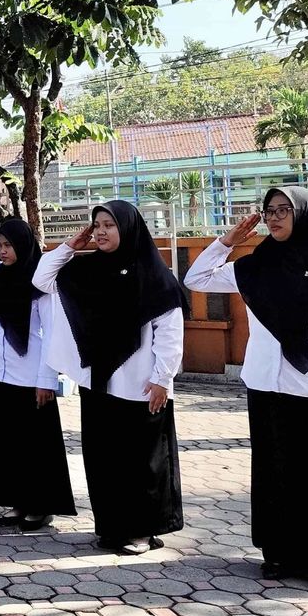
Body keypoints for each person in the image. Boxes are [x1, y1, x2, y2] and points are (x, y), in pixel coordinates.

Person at [185, 187, 308, 591]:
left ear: (306, 215)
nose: (274, 218)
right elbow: (197, 278)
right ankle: (281, 553)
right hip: (265, 387)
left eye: (284, 210)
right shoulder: (256, 266)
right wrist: (228, 241)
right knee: (276, 474)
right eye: (269, 211)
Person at [34, 201, 187, 555]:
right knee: (104, 460)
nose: (101, 232)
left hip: (140, 386)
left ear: (128, 228)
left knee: (142, 462)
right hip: (98, 383)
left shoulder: (154, 275)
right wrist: (70, 246)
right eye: (97, 225)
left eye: (109, 225)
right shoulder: (86, 270)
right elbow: (41, 279)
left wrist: (163, 377)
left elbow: (169, 331)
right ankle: (112, 527)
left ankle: (141, 532)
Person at [0, 218, 76, 531]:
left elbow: (51, 334)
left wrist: (46, 380)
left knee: (35, 446)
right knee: (8, 444)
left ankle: (40, 506)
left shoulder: (40, 281)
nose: (3, 251)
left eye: (8, 245)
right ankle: (17, 503)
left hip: (32, 377)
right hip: (0, 374)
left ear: (23, 244)